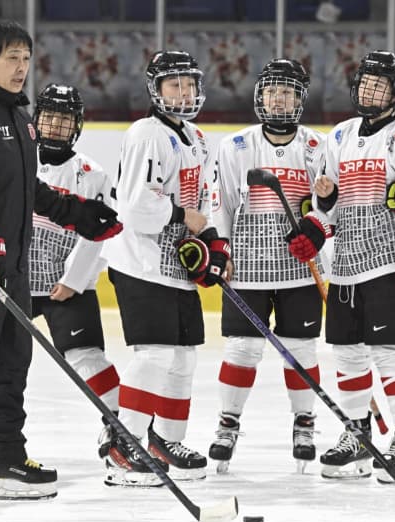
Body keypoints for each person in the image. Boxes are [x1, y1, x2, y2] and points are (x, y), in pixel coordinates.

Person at [0, 21, 122, 505]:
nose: (20, 68)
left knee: (12, 364)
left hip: (11, 266)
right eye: (11, 58)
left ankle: (4, 458)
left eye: (25, 58)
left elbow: (29, 191)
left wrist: (79, 214)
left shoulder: (18, 119)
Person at [287, 50, 395, 482]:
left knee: (392, 352)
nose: (371, 91)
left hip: (391, 264)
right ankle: (357, 436)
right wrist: (314, 229)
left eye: (381, 85)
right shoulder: (338, 137)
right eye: (366, 83)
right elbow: (329, 205)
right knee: (347, 353)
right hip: (345, 267)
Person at [101, 50, 229, 487]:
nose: (184, 92)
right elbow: (135, 207)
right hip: (139, 262)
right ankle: (125, 445)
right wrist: (182, 218)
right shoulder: (145, 134)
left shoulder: (198, 138)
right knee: (155, 355)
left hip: (174, 266)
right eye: (174, 85)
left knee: (183, 359)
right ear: (156, 91)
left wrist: (211, 242)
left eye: (189, 84)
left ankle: (165, 441)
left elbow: (204, 202)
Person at [206, 58, 328, 473]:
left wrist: (318, 230)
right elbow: (221, 204)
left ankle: (304, 421)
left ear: (300, 99)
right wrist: (221, 250)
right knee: (242, 349)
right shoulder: (235, 146)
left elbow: (329, 207)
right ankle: (228, 421)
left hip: (300, 269)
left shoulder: (317, 147)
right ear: (260, 96)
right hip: (249, 268)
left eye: (288, 92)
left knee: (302, 349)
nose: (279, 98)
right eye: (272, 91)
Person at [28, 83, 121, 460]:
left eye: (63, 119)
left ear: (77, 125)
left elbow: (98, 235)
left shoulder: (92, 174)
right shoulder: (16, 159)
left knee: (87, 356)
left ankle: (121, 423)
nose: (54, 125)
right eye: (48, 116)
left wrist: (72, 280)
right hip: (14, 280)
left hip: (64, 286)